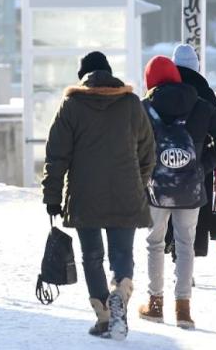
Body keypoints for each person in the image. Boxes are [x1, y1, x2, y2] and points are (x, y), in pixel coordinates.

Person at [42, 51, 155, 340]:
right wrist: (138, 183)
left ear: (83, 78)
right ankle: (120, 291)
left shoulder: (72, 105)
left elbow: (56, 156)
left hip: (85, 196)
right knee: (121, 254)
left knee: (92, 256)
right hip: (126, 194)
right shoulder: (131, 103)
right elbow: (147, 151)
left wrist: (52, 197)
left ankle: (105, 317)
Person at [137, 56, 216, 330]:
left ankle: (155, 305)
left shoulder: (145, 108)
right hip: (191, 188)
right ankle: (183, 309)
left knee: (155, 243)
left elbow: (131, 145)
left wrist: (146, 171)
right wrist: (203, 166)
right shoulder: (200, 106)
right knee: (185, 244)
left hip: (158, 189)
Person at [166, 44, 216, 260]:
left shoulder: (162, 90)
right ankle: (186, 261)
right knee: (193, 217)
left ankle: (175, 253)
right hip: (199, 166)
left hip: (167, 164)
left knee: (170, 211)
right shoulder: (206, 92)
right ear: (196, 66)